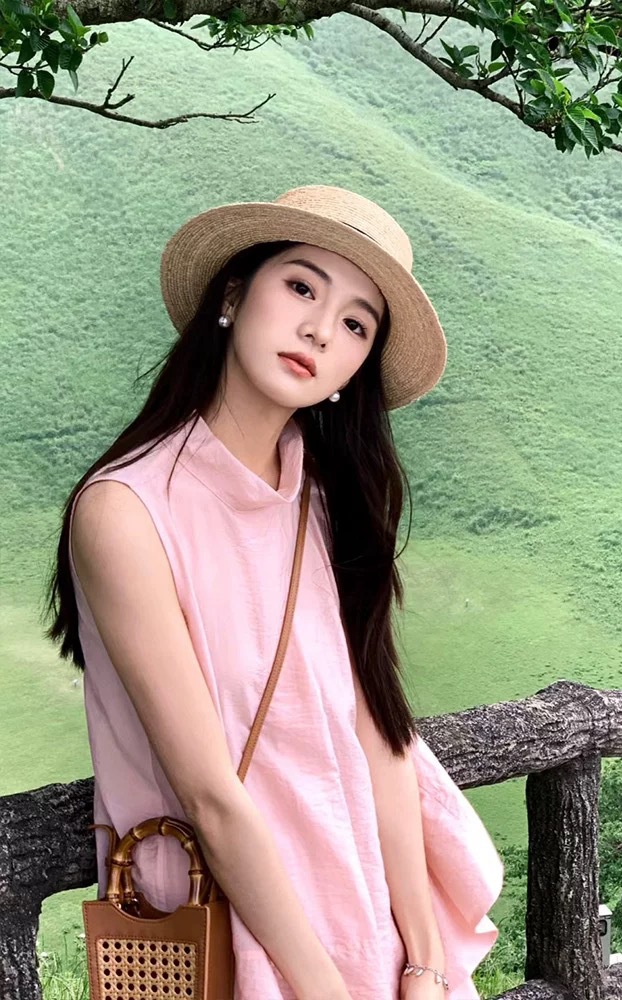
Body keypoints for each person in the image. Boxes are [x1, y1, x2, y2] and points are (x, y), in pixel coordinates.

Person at [44, 184, 504, 999]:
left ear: (356, 368)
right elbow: (210, 796)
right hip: (233, 933)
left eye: (357, 324)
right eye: (301, 286)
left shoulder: (322, 503)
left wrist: (423, 961)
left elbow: (378, 733)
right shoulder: (126, 513)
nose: (321, 330)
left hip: (365, 922)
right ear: (232, 295)